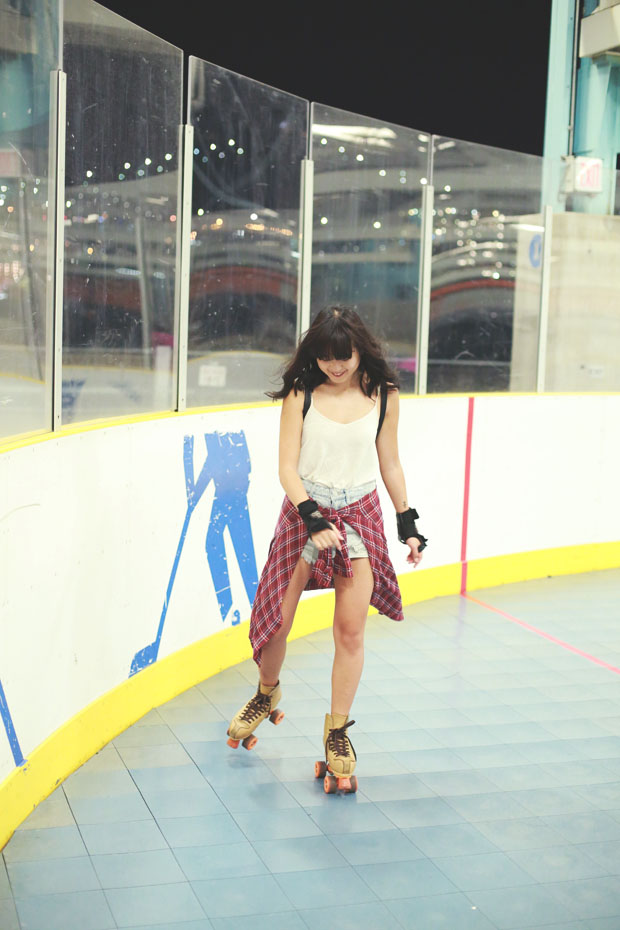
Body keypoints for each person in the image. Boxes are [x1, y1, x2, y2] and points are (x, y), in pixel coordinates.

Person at [226, 306, 427, 792]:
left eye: (344, 356)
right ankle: (267, 693)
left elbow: (390, 462)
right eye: (325, 356)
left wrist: (408, 523)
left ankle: (337, 731)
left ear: (360, 350)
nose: (335, 366)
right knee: (277, 619)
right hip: (305, 511)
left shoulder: (384, 395)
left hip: (359, 515)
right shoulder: (301, 393)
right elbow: (286, 468)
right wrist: (313, 518)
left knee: (350, 630)